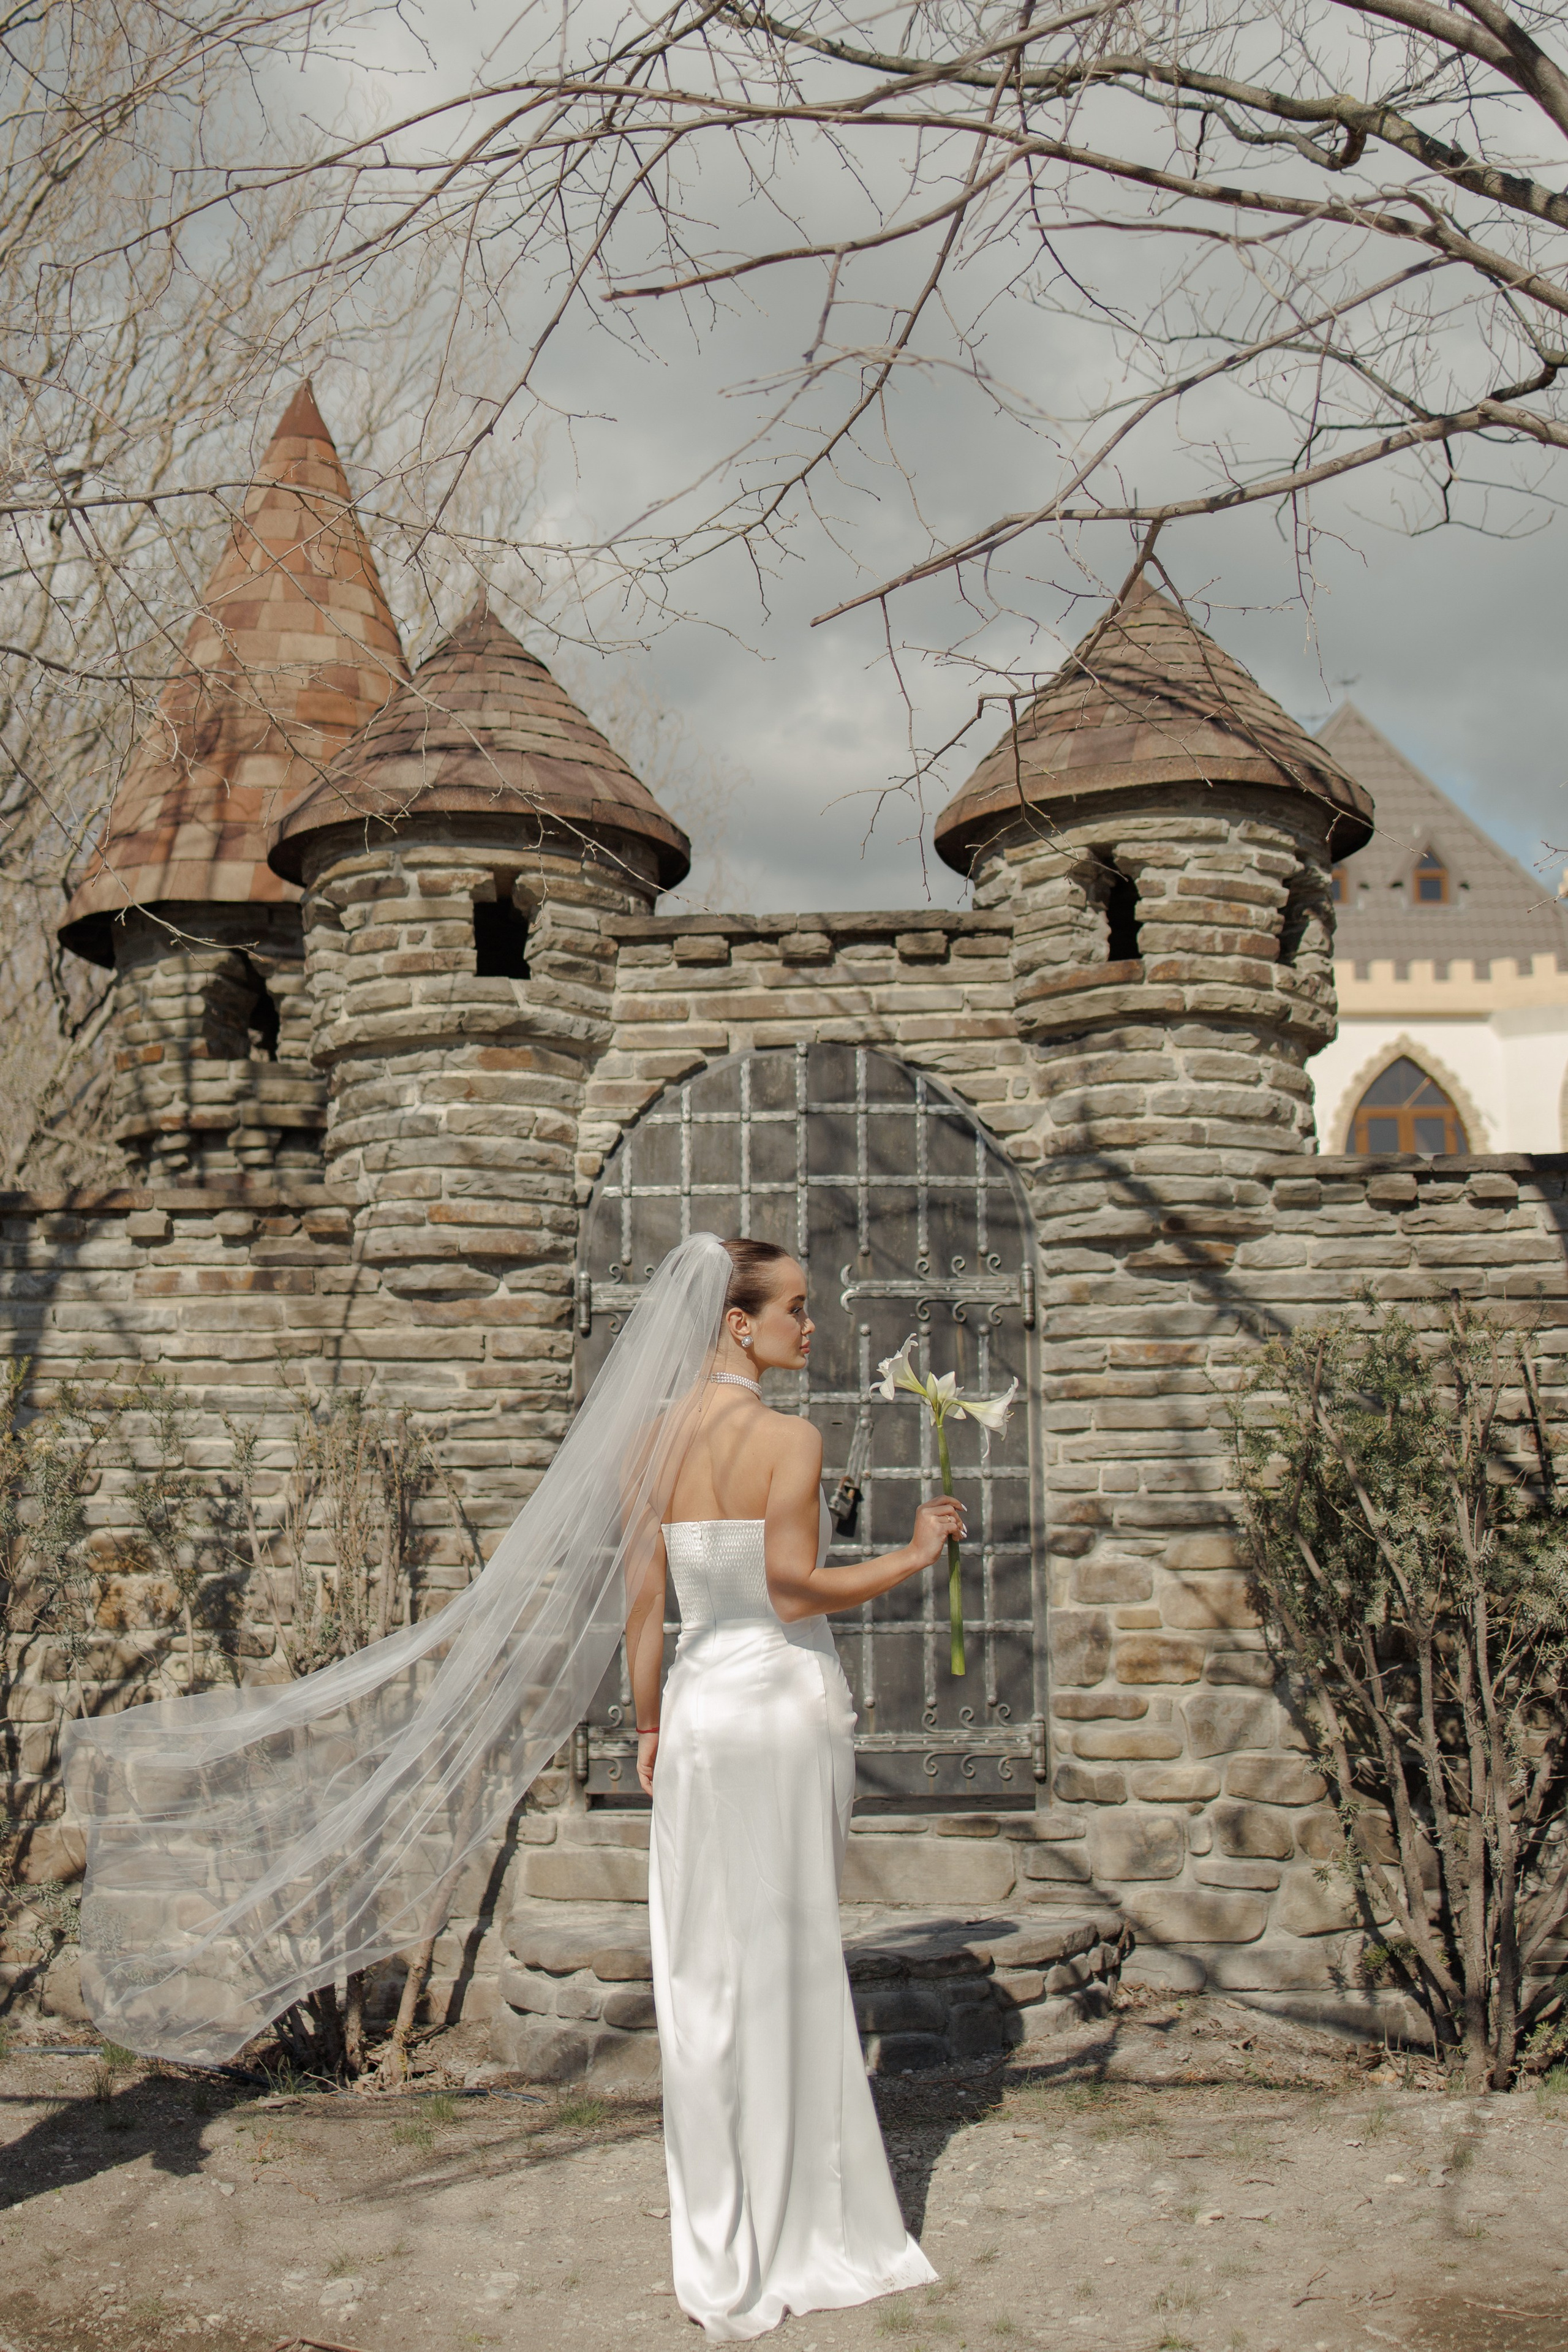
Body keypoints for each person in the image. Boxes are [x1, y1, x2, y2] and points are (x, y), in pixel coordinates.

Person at [630, 1236, 958, 2340]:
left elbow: (645, 1608)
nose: (809, 1328)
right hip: (777, 1701)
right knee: (795, 1953)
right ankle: (808, 2226)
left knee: (706, 1970)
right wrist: (915, 1555)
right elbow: (792, 1586)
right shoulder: (788, 1436)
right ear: (738, 1321)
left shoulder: (652, 1437)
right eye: (797, 1309)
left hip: (697, 1709)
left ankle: (723, 2237)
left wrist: (644, 1722)